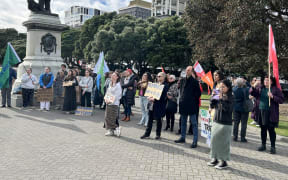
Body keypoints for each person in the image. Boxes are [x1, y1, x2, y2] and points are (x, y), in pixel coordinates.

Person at [250, 76, 284, 154]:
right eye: (265, 80)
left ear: (272, 82)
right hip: (261, 111)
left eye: (268, 80)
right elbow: (252, 93)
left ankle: (273, 147)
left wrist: (272, 96)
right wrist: (254, 85)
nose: (266, 82)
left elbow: (281, 99)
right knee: (263, 129)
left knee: (271, 130)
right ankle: (263, 145)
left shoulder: (275, 89)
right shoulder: (260, 88)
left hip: (271, 113)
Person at [208, 79, 234, 169]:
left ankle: (223, 161)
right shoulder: (218, 95)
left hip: (225, 123)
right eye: (220, 87)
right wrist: (213, 99)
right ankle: (214, 158)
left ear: (228, 87)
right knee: (214, 141)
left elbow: (228, 109)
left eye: (223, 87)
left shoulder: (231, 97)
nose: (221, 88)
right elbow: (213, 105)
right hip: (216, 120)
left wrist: (221, 99)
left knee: (223, 143)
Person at [175, 66, 201, 148]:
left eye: (189, 70)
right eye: (186, 70)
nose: (187, 71)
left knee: (194, 123)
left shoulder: (195, 81)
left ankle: (195, 141)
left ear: (192, 71)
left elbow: (198, 94)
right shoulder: (182, 80)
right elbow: (181, 91)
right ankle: (182, 137)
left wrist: (192, 99)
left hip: (192, 105)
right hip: (183, 104)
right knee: (183, 122)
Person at [141, 72, 169, 140]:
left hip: (159, 105)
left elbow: (163, 97)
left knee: (158, 120)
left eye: (159, 76)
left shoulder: (165, 85)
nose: (158, 77)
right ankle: (147, 134)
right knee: (150, 119)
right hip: (152, 105)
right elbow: (151, 93)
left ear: (163, 77)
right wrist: (149, 97)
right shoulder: (155, 84)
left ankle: (158, 134)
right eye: (157, 76)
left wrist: (155, 99)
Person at [104, 72, 123, 136]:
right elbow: (107, 92)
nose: (112, 76)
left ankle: (117, 128)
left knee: (112, 118)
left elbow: (118, 96)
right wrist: (106, 99)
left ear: (117, 77)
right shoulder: (110, 84)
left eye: (114, 75)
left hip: (114, 104)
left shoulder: (118, 85)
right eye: (112, 75)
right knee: (107, 117)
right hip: (108, 103)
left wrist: (111, 101)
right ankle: (110, 131)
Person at [232, 78, 250, 142]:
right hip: (244, 108)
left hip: (236, 107)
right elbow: (250, 87)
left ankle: (235, 136)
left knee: (236, 123)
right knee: (244, 124)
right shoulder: (246, 90)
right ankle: (242, 137)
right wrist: (246, 82)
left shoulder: (234, 89)